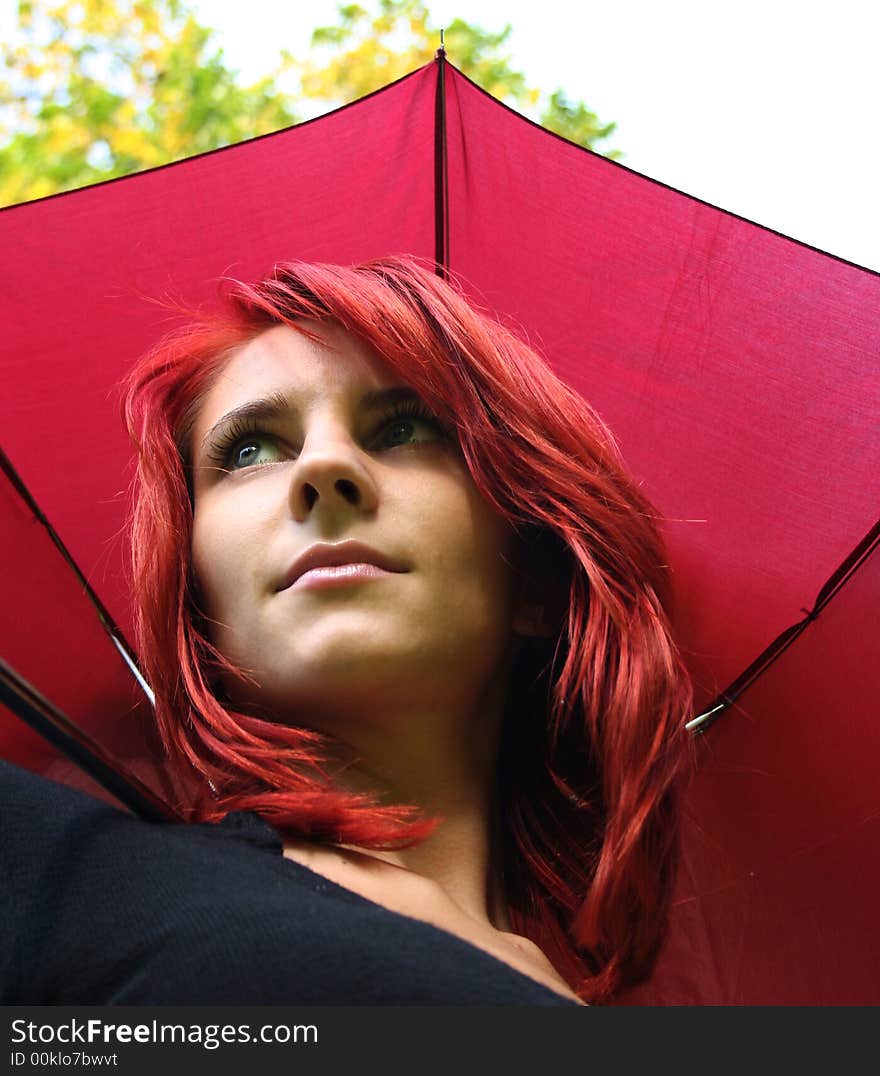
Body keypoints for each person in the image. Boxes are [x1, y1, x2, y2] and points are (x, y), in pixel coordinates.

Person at [0, 256, 693, 1006]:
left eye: (403, 428)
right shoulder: (54, 867)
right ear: (198, 604)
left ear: (534, 576)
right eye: (250, 449)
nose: (324, 467)